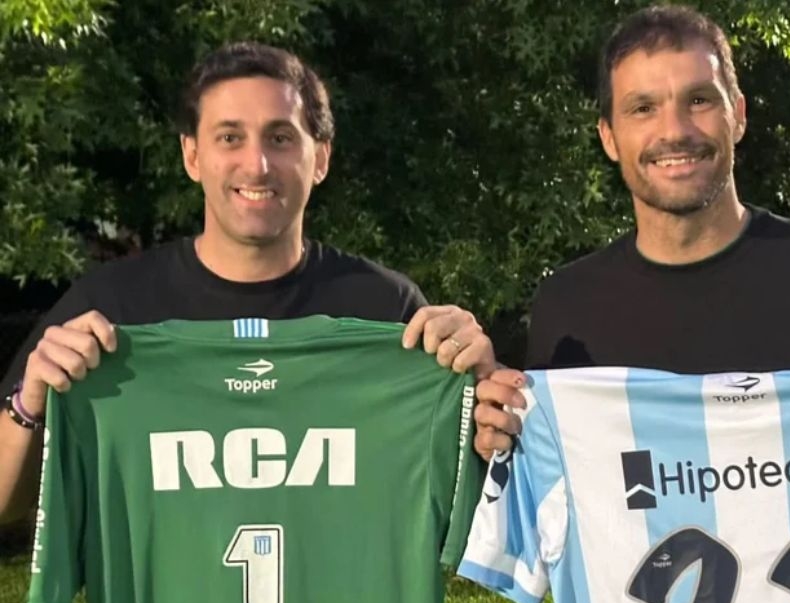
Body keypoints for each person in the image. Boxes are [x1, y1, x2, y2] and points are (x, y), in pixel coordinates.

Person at [0, 42, 495, 524]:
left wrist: (482, 406)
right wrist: (29, 405)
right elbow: (5, 507)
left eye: (280, 138)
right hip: (161, 587)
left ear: (321, 157)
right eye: (230, 137)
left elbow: (464, 513)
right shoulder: (110, 309)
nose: (256, 165)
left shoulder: (386, 311)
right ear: (192, 155)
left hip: (339, 584)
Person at [472, 4, 790, 457]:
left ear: (738, 116)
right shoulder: (566, 309)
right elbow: (548, 490)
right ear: (609, 137)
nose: (674, 131)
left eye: (699, 100)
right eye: (643, 108)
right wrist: (494, 436)